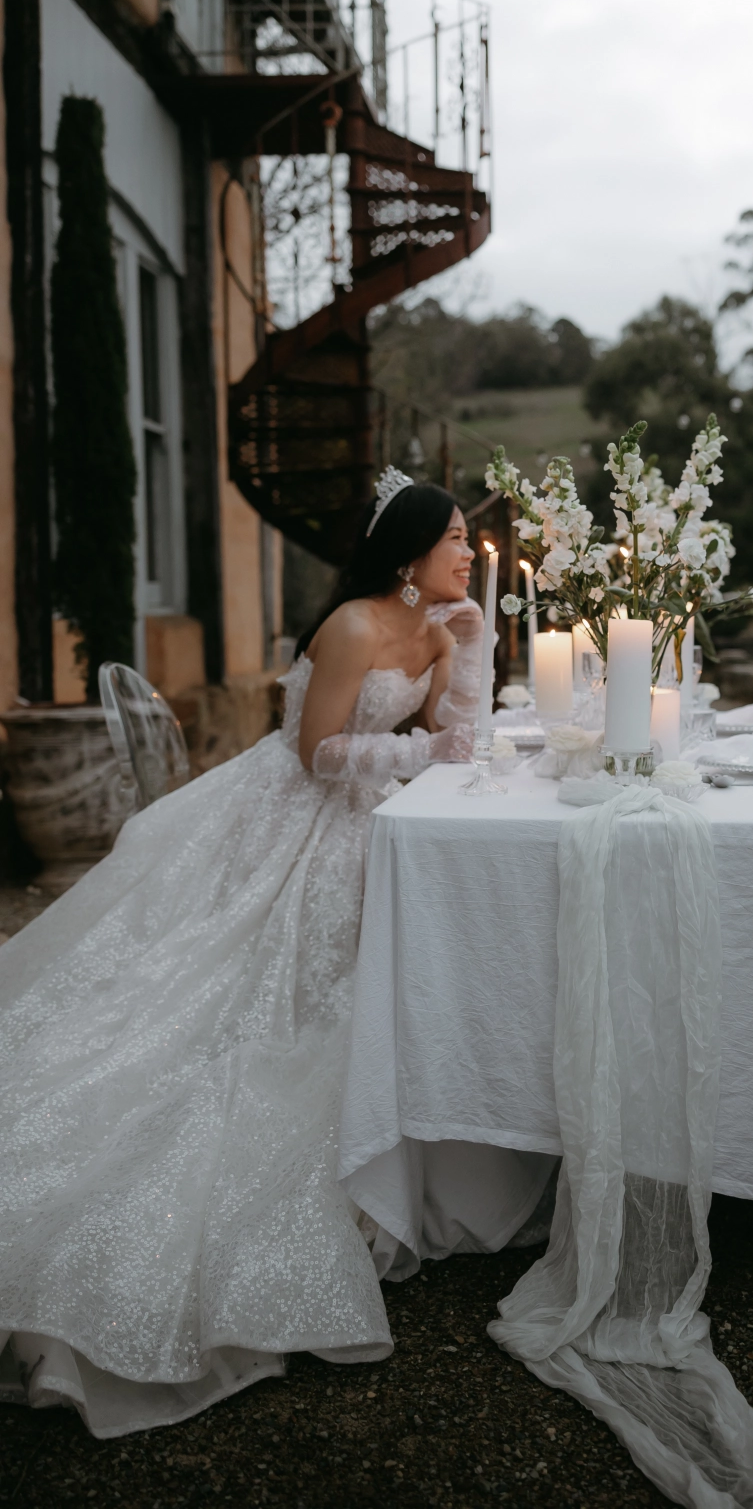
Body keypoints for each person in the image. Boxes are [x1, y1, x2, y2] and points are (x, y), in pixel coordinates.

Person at [0, 470, 541, 1437]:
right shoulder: (352, 627)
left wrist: (470, 655)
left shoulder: (435, 629)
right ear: (411, 551)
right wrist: (421, 755)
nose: (470, 554)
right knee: (243, 990)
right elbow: (315, 751)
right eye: (458, 539)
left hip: (376, 813)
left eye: (470, 542)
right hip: (292, 816)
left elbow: (461, 740)